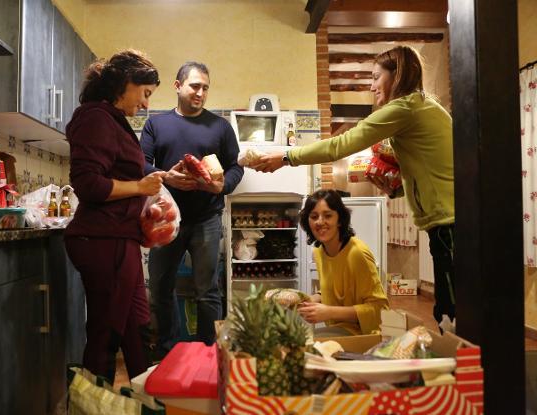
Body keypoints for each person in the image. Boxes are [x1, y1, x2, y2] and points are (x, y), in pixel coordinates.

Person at [252, 45, 455, 325]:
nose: (372, 86)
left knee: (453, 310)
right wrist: (397, 185)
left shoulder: (405, 108)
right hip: (446, 218)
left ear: (397, 77)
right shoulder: (422, 106)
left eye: (375, 77)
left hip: (450, 220)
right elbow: (432, 166)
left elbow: (340, 144)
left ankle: (469, 364)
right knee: (450, 305)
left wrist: (287, 156)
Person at [64, 49, 164, 382]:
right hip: (103, 240)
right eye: (145, 93)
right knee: (106, 336)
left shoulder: (111, 119)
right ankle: (93, 403)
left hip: (119, 238)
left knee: (137, 328)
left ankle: (146, 399)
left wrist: (154, 184)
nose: (146, 104)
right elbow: (88, 184)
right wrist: (139, 187)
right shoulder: (96, 118)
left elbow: (123, 173)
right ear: (125, 83)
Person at [141, 61, 244, 356]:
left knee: (208, 291)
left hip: (206, 219)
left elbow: (236, 167)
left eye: (205, 88)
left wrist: (221, 186)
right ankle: (167, 351)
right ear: (178, 86)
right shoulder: (155, 124)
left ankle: (207, 354)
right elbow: (141, 163)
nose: (200, 92)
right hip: (164, 218)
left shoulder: (220, 127)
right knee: (160, 289)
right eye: (194, 86)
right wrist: (165, 175)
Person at [297, 189, 389, 335]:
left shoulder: (357, 253)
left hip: (365, 334)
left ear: (339, 220)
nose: (320, 222)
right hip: (340, 328)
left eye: (328, 215)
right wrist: (314, 299)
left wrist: (329, 312)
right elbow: (338, 288)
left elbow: (379, 310)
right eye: (314, 216)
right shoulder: (320, 252)